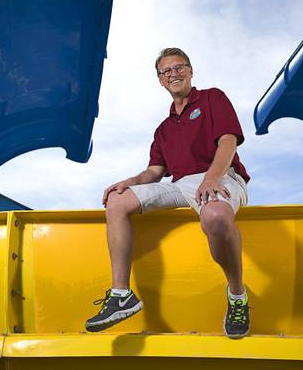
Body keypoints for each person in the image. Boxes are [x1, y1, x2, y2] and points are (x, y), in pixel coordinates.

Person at [85, 48, 251, 338]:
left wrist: (212, 178)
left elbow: (228, 140)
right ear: (160, 81)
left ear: (190, 70)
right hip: (180, 184)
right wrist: (129, 181)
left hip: (220, 175)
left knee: (215, 214)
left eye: (179, 67)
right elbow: (154, 172)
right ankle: (122, 295)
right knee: (117, 200)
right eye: (166, 71)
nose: (174, 74)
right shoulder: (162, 129)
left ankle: (237, 297)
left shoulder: (212, 97)